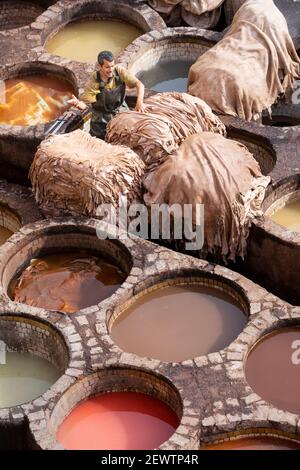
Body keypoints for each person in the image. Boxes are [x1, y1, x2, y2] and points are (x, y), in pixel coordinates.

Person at [68, 50, 146, 139]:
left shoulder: (119, 71)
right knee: (99, 141)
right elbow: (85, 105)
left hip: (120, 110)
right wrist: (77, 104)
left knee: (129, 135)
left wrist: (139, 102)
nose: (111, 70)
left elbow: (139, 84)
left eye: (112, 66)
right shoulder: (93, 82)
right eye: (107, 67)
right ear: (99, 66)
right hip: (101, 119)